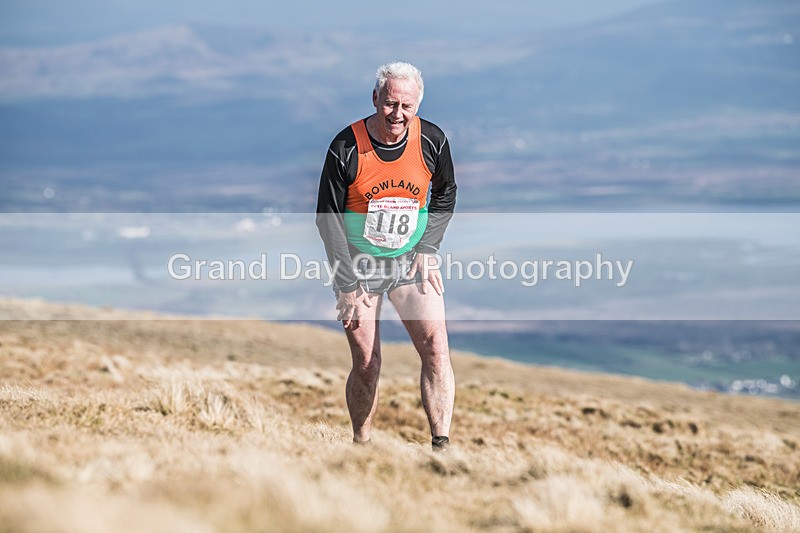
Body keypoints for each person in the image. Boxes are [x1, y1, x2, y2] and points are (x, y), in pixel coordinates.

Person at [316, 62, 457, 451]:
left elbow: (446, 193)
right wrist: (345, 285)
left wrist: (428, 248)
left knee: (436, 347)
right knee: (367, 363)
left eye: (407, 106)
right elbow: (327, 220)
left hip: (410, 261)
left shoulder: (432, 141)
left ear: (418, 105)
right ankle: (361, 445)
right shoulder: (345, 146)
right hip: (360, 266)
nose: (398, 114)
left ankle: (441, 448)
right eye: (390, 103)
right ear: (376, 98)